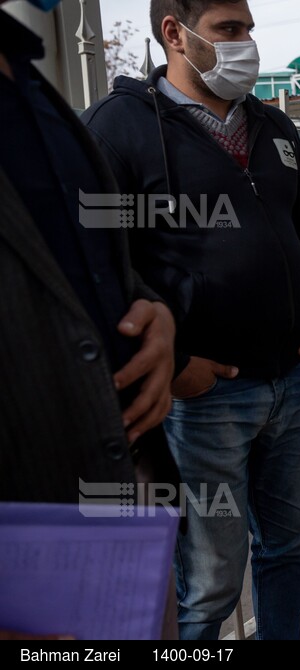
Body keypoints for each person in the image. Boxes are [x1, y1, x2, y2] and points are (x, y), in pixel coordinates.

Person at [82, 0, 300, 640]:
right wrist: (177, 369)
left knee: (288, 551)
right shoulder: (116, 130)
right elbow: (100, 270)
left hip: (293, 377)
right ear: (176, 34)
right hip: (206, 398)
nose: (247, 46)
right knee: (209, 583)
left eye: (249, 30)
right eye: (229, 31)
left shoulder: (275, 129)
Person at [0, 0, 177, 637]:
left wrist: (154, 311)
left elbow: (94, 267)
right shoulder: (114, 119)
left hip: (120, 518)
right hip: (25, 567)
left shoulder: (32, 85)